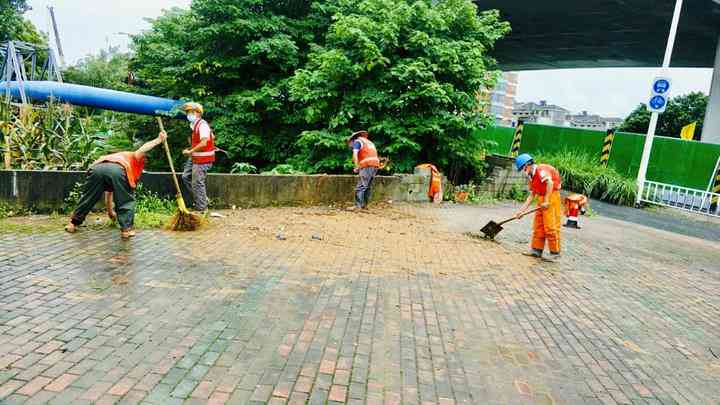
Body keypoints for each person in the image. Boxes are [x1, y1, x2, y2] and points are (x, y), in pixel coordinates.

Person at [65, 131, 167, 239]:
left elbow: (109, 193)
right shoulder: (133, 157)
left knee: (88, 197)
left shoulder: (114, 156)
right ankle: (126, 230)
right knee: (126, 199)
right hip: (117, 170)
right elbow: (142, 149)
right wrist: (158, 140)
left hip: (96, 169)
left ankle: (72, 224)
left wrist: (110, 212)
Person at [514, 153, 563, 261]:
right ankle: (536, 250)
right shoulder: (532, 177)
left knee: (550, 226)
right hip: (542, 198)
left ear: (528, 164)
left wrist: (546, 201)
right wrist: (521, 211)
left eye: (523, 168)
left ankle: (555, 252)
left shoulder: (541, 170)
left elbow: (549, 183)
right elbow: (531, 195)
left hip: (551, 197)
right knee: (538, 225)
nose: (523, 171)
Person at [181, 102, 215, 215]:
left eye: (191, 112)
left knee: (197, 183)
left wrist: (190, 151)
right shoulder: (194, 125)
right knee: (185, 177)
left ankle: (202, 209)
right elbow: (209, 137)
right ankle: (202, 200)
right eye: (188, 112)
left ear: (198, 113)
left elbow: (204, 142)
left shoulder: (202, 125)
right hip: (195, 157)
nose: (189, 114)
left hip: (203, 159)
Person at [347, 130, 380, 210]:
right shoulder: (369, 142)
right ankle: (365, 205)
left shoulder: (357, 142)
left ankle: (357, 206)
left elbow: (355, 155)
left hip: (367, 164)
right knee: (368, 186)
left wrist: (357, 166)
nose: (350, 146)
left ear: (353, 139)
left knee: (361, 186)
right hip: (375, 164)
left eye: (350, 143)